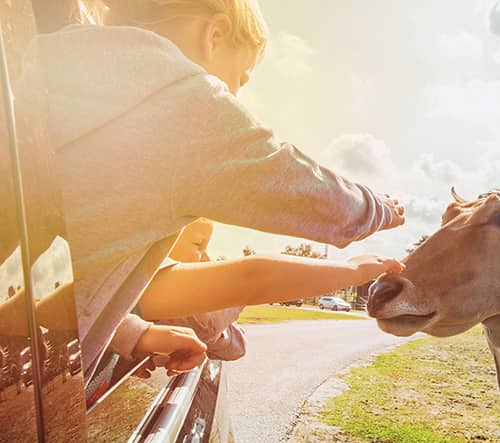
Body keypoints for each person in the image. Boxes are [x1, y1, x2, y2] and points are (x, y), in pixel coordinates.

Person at [18, 0, 405, 376]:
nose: (234, 95)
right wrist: (377, 210)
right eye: (240, 78)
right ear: (214, 35)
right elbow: (299, 186)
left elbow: (67, 273)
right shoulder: (183, 103)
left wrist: (133, 332)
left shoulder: (35, 61)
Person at [130, 217, 404, 376]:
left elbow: (235, 342)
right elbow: (253, 280)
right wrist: (354, 270)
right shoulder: (140, 288)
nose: (208, 258)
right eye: (198, 245)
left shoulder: (135, 311)